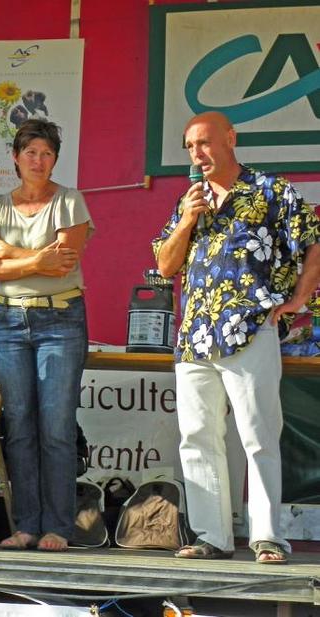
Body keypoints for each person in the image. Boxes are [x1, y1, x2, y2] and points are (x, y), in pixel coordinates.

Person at [153, 111, 320, 564]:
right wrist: (187, 219)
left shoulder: (272, 190)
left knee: (259, 433)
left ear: (230, 138)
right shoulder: (190, 199)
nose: (197, 154)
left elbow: (313, 242)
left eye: (204, 143)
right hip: (195, 334)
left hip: (250, 327)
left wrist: (297, 301)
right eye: (190, 147)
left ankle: (267, 536)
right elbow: (167, 265)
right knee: (197, 435)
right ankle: (211, 535)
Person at [0, 118, 94, 551]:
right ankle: (25, 524)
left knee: (57, 427)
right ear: (15, 157)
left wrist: (11, 256)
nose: (38, 161)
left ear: (55, 159)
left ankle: (58, 528)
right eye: (31, 153)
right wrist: (35, 260)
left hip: (60, 320)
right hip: (8, 320)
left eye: (47, 154)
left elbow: (63, 263)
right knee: (20, 426)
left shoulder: (69, 201)